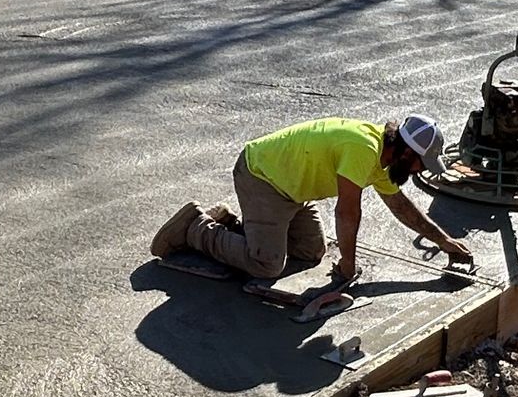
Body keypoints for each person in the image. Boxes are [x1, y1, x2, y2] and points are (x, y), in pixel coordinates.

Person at [152, 114, 475, 284]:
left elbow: (402, 208)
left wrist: (444, 241)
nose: (420, 170)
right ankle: (194, 227)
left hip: (293, 190)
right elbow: (348, 213)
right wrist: (348, 265)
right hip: (262, 177)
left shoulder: (384, 158)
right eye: (421, 162)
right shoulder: (363, 148)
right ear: (406, 152)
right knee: (266, 265)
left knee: (310, 252)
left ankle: (235, 226)